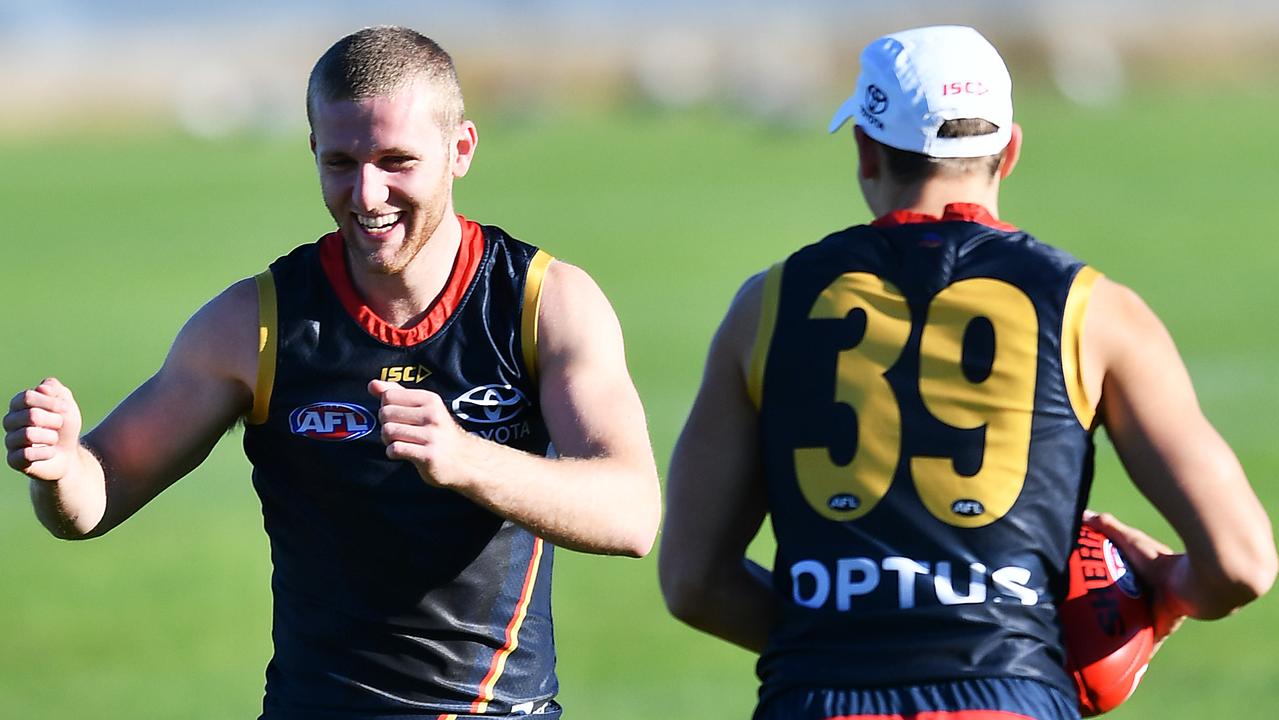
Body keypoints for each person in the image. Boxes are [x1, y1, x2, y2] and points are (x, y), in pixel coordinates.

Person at [5, 26, 661, 720]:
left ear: (460, 149)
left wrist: (467, 459)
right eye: (341, 161)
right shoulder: (254, 323)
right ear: (314, 149)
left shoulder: (542, 304)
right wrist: (58, 467)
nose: (367, 193)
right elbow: (96, 495)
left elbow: (631, 514)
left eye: (396, 161)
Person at [659, 24, 1275, 720]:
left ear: (864, 149)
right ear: (1009, 151)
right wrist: (1162, 591)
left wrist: (842, 641)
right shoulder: (1095, 312)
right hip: (1010, 697)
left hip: (817, 699)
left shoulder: (764, 307)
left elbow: (693, 581)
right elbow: (1241, 563)